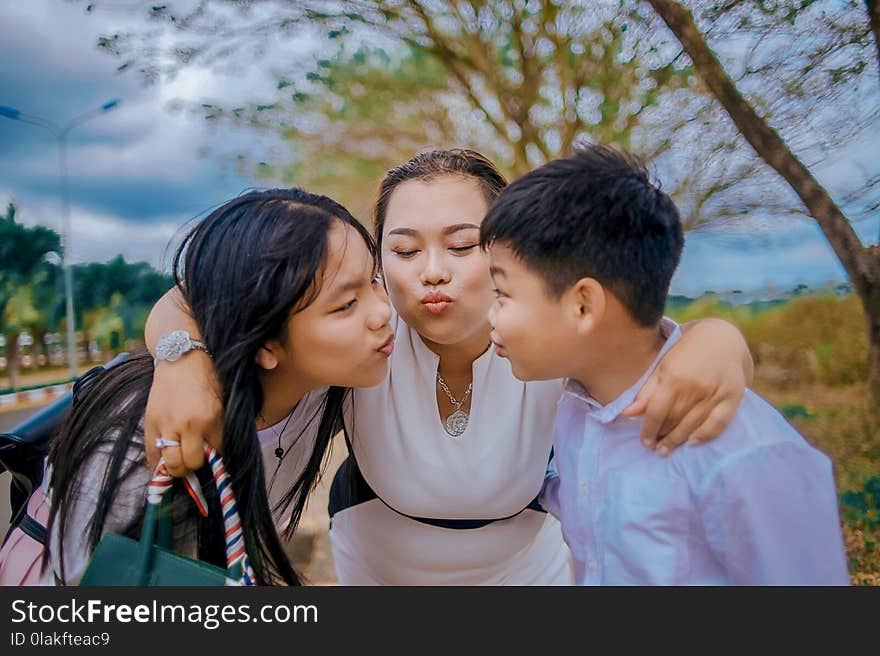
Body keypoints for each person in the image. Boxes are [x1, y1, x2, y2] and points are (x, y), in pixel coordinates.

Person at [143, 149, 757, 585]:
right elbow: (191, 293)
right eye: (405, 250)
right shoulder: (364, 333)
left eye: (462, 245)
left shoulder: (546, 338)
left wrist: (718, 338)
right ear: (377, 262)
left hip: (526, 572)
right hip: (376, 569)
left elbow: (642, 343)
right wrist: (180, 361)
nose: (432, 270)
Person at [481, 145, 850, 585]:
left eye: (502, 295)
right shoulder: (575, 414)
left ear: (583, 305)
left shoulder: (747, 455)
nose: (491, 315)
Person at [0, 188, 393, 585]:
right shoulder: (145, 442)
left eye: (375, 280)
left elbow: (191, 292)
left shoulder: (323, 380)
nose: (383, 311)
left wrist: (178, 357)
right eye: (346, 305)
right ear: (263, 340)